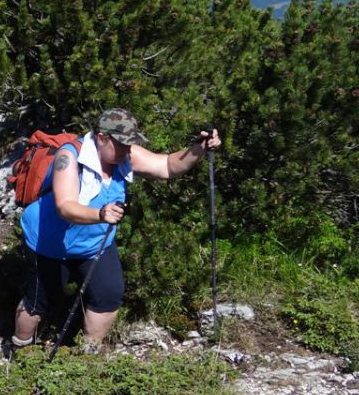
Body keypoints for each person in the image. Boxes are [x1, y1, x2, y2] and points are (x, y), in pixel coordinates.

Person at [11, 108, 221, 351]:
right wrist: (100, 214)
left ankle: (87, 358)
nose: (126, 150)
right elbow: (65, 207)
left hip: (94, 244)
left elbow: (168, 167)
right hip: (48, 243)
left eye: (130, 143)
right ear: (101, 138)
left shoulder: (126, 155)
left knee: (109, 295)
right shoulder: (68, 158)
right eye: (121, 144)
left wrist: (199, 148)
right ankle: (20, 349)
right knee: (39, 302)